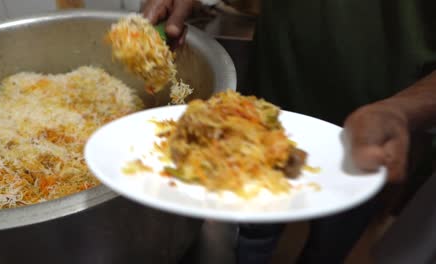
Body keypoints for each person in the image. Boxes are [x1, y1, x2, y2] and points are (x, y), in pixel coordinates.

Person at [142, 0, 436, 263]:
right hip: (264, 104)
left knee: (333, 237)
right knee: (253, 228)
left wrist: (403, 109)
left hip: (369, 134)